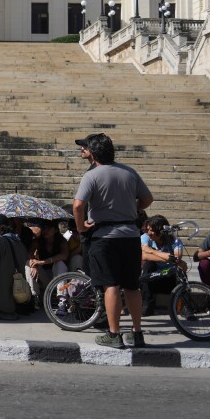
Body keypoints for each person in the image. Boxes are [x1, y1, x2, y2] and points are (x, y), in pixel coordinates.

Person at [72, 133, 153, 349]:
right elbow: (147, 199)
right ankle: (137, 333)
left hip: (104, 237)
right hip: (130, 235)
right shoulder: (129, 172)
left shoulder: (93, 175)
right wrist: (130, 208)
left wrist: (81, 227)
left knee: (111, 286)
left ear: (95, 153)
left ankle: (114, 333)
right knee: (132, 286)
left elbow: (78, 206)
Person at [139, 214, 185, 317]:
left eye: (152, 230)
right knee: (149, 264)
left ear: (160, 231)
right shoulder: (145, 237)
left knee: (181, 267)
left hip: (169, 278)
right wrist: (169, 258)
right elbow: (144, 256)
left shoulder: (174, 241)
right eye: (148, 229)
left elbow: (177, 258)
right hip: (153, 279)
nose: (149, 233)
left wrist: (152, 251)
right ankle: (148, 305)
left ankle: (185, 306)